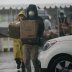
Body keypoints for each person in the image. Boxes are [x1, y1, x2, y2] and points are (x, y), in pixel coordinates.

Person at [21, 4, 44, 72]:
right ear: (28, 11)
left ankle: (37, 69)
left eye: (32, 10)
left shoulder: (39, 19)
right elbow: (21, 29)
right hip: (25, 43)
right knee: (26, 60)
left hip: (35, 43)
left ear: (35, 11)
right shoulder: (24, 19)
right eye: (30, 10)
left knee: (34, 59)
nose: (31, 12)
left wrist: (40, 24)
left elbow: (42, 30)